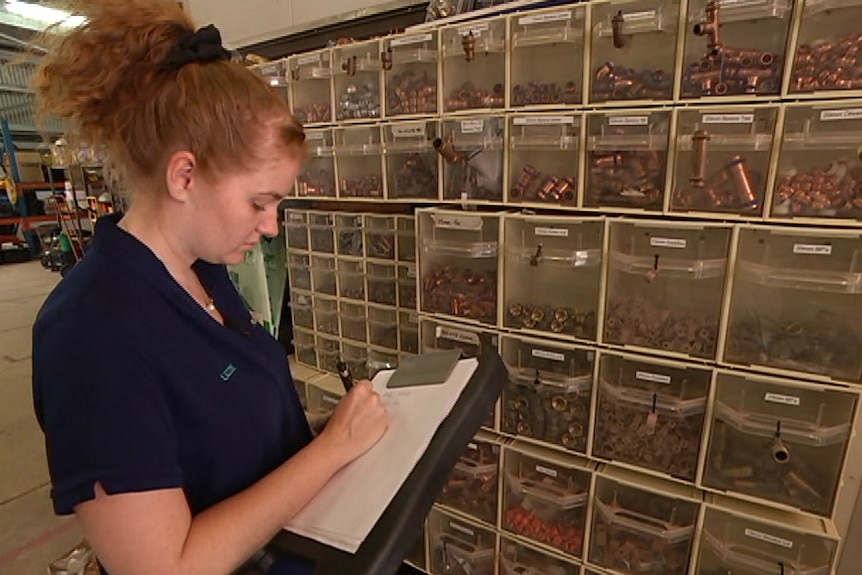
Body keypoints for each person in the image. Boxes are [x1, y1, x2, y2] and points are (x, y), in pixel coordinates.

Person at [30, 1, 390, 574]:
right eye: (259, 202)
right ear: (185, 175)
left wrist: (327, 435)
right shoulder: (91, 335)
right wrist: (331, 451)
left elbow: (223, 441)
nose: (271, 226)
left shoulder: (207, 276)